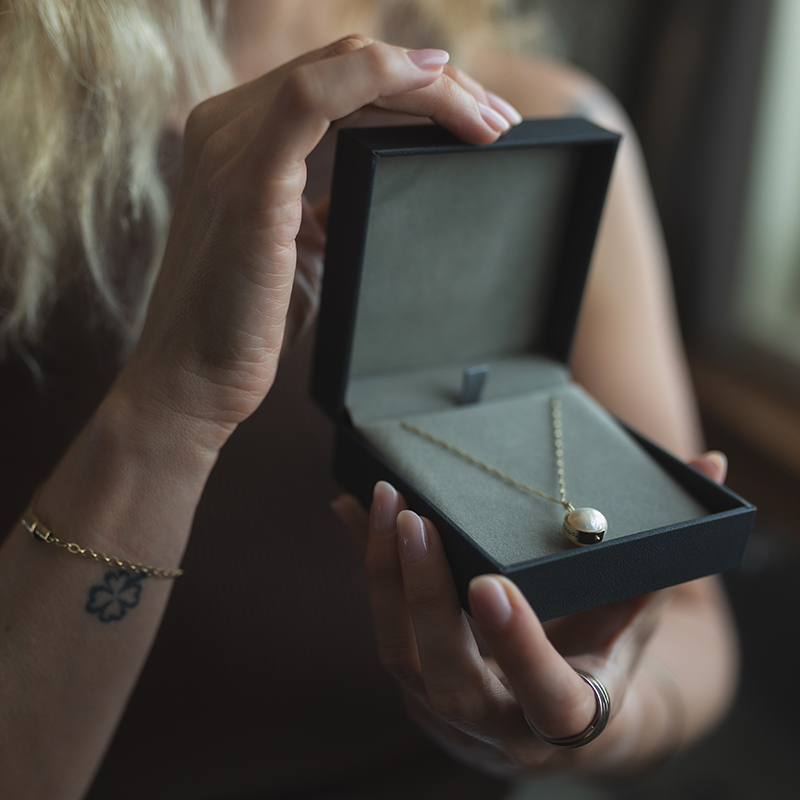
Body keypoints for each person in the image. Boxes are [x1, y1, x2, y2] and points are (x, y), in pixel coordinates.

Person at [0, 2, 737, 799]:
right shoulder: (24, 131)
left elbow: (692, 627)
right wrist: (166, 406)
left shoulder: (553, 116)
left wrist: (591, 717)